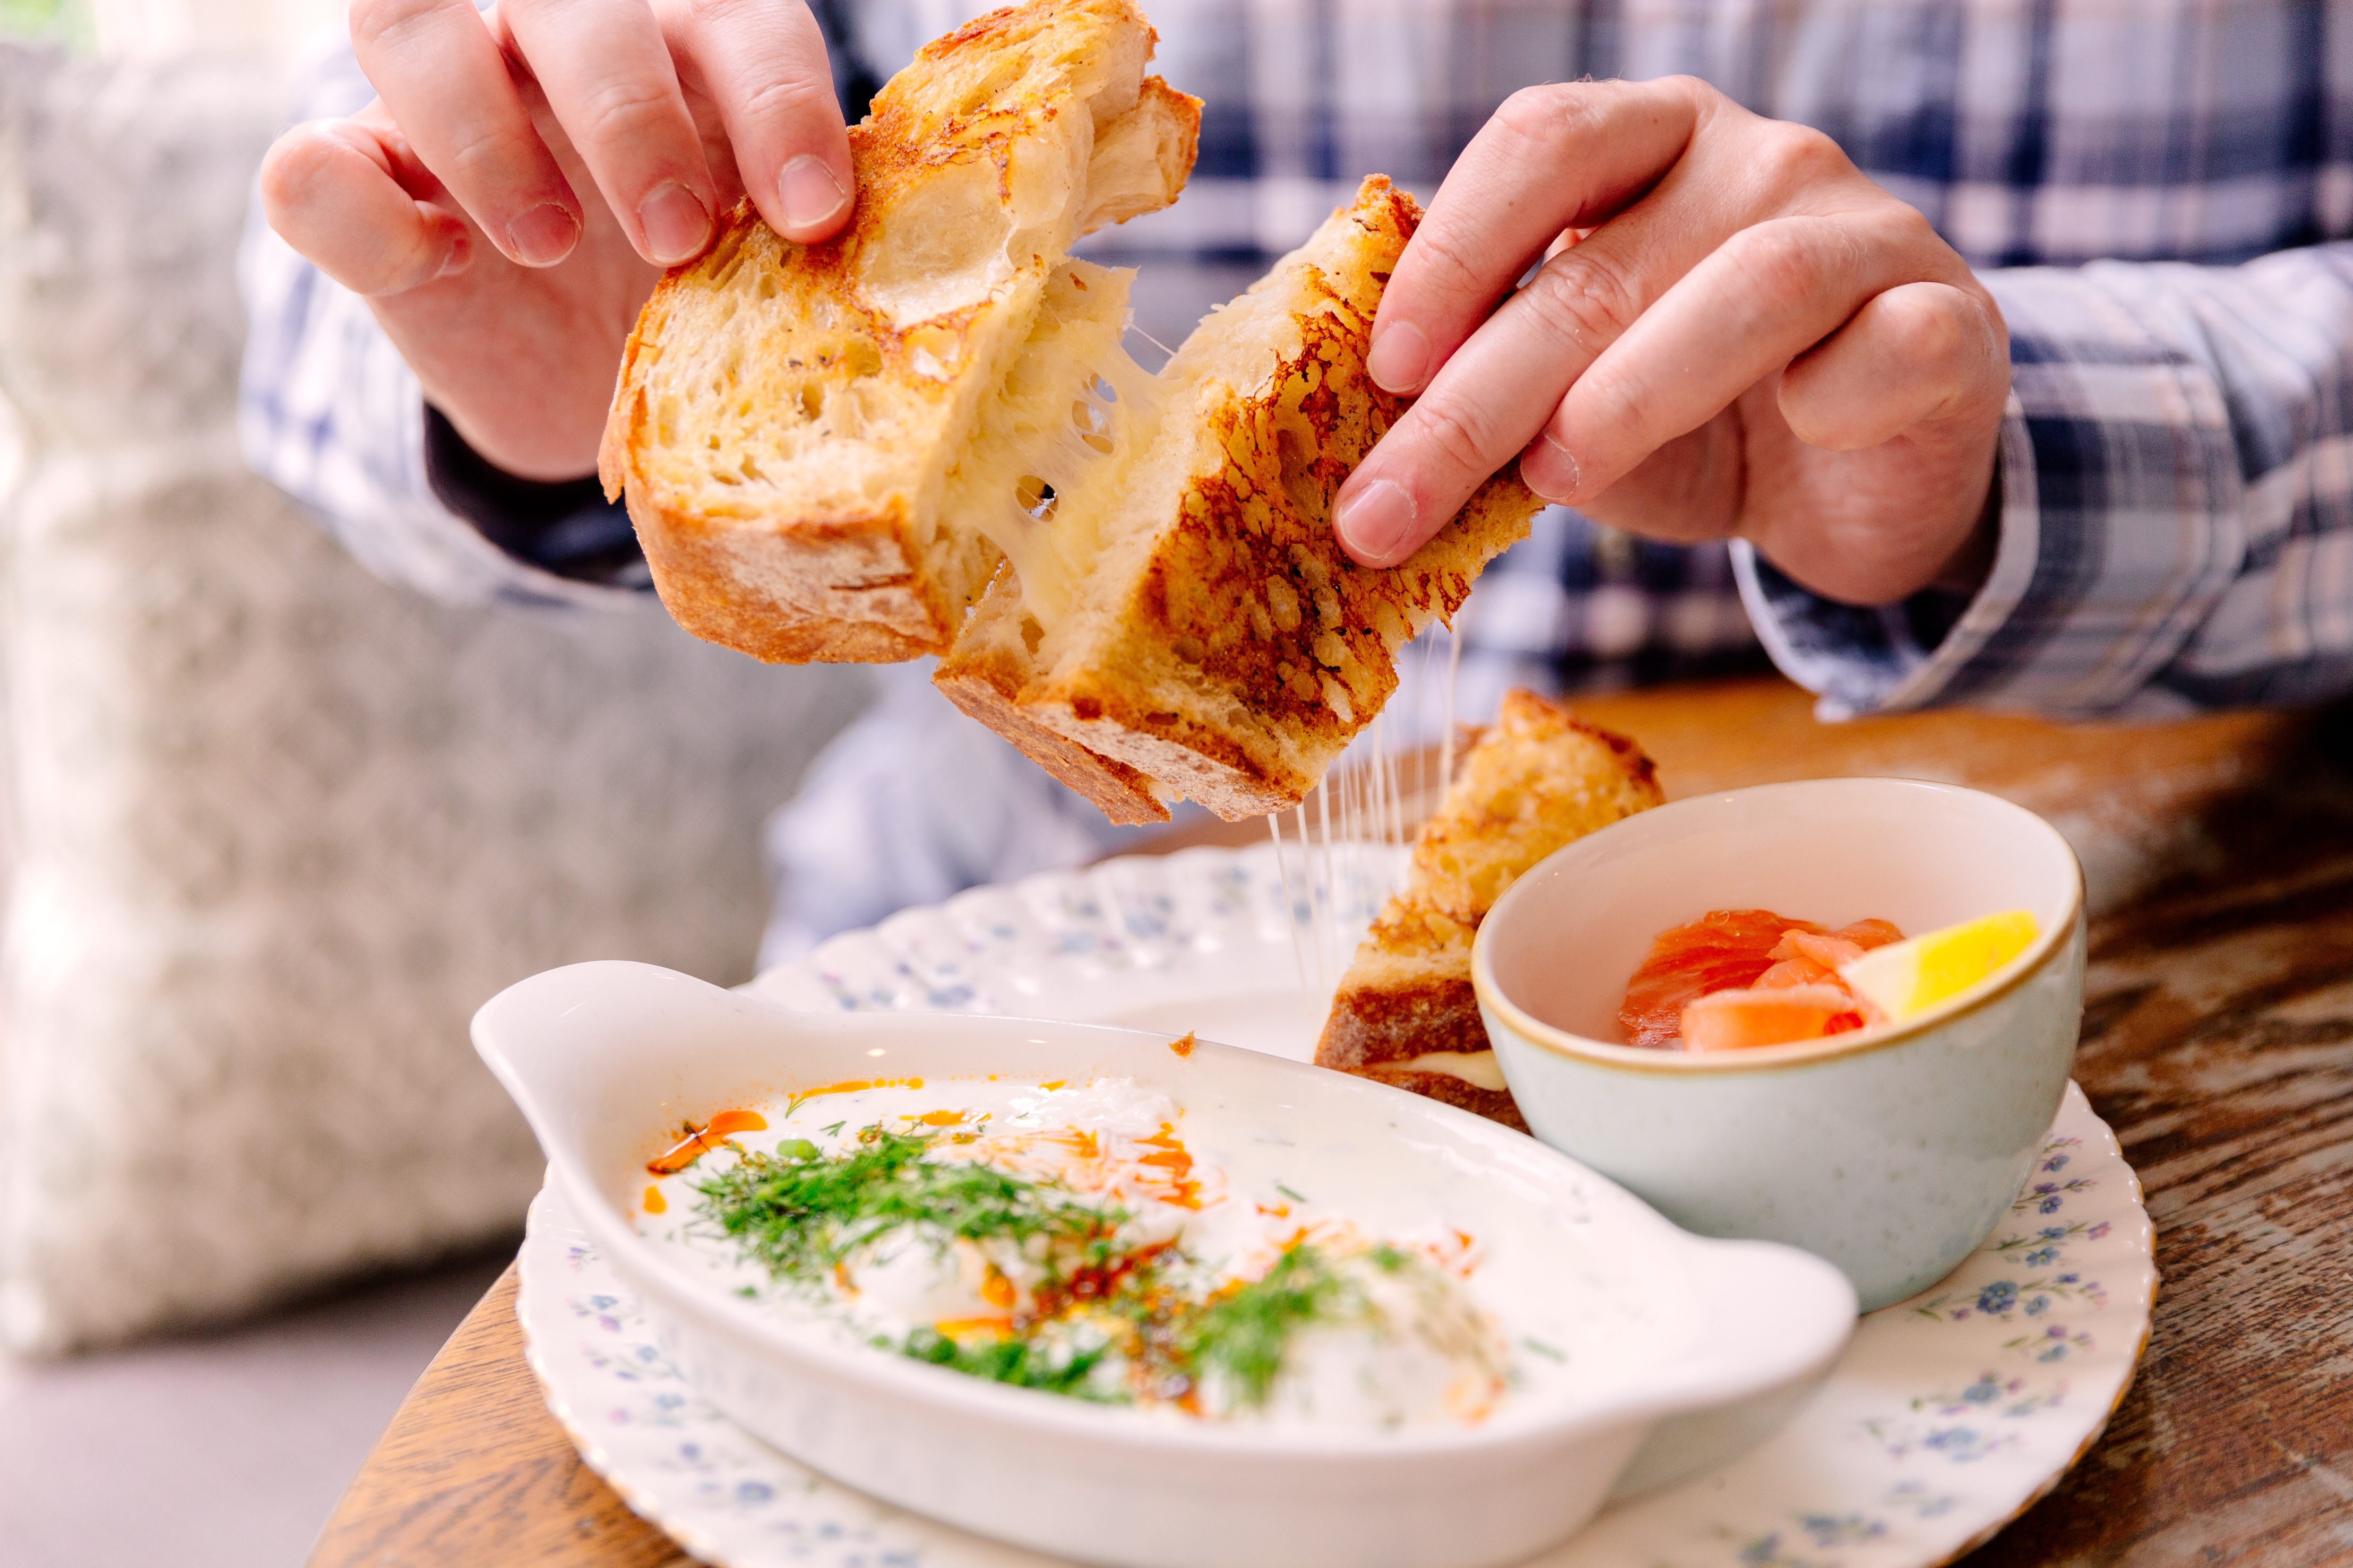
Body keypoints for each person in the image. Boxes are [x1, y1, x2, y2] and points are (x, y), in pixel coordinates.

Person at [245, 1, 2353, 958]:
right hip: (990, 951)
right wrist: (562, 313)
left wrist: (2027, 450)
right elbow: (300, 284)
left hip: (2013, 942)